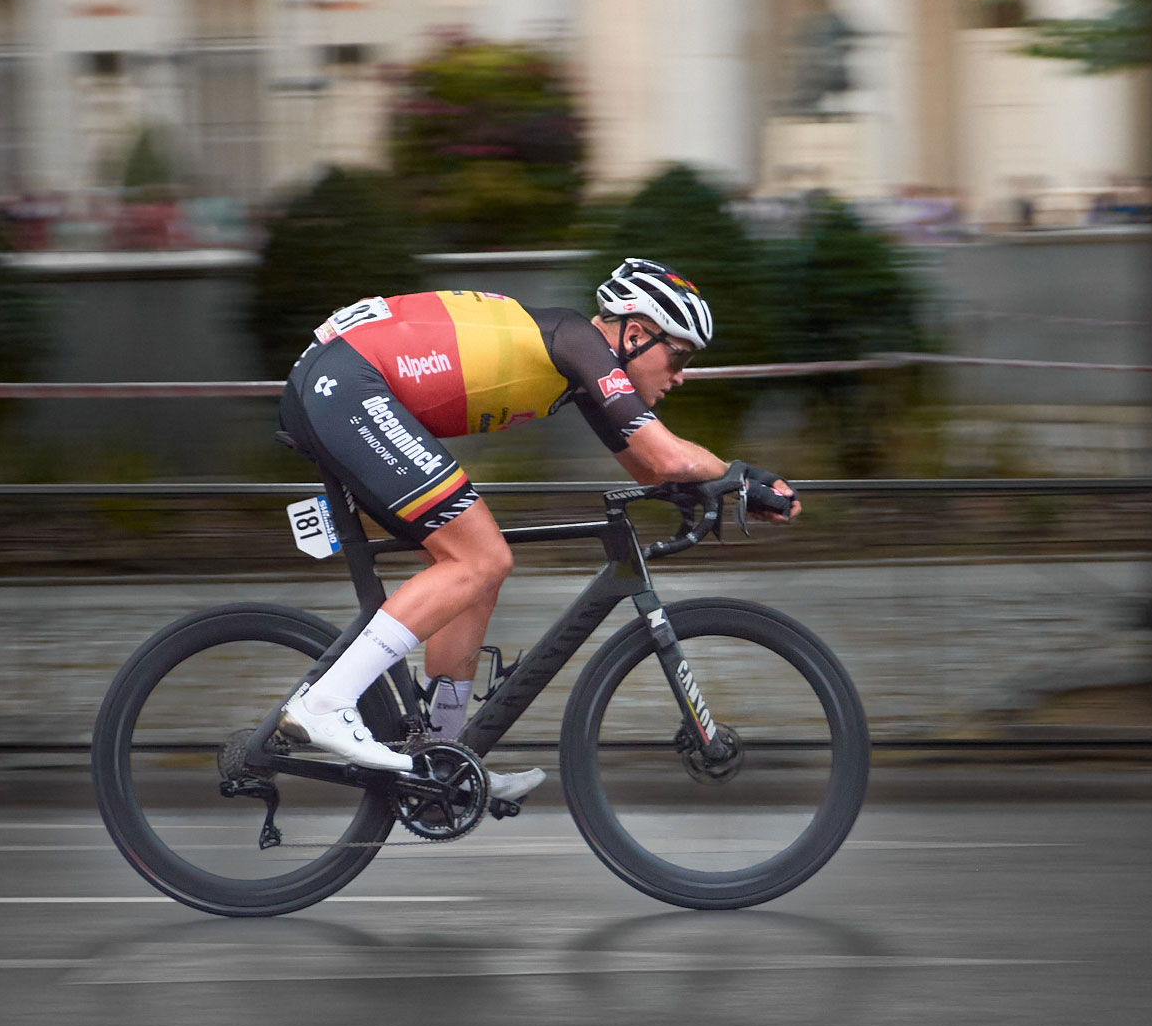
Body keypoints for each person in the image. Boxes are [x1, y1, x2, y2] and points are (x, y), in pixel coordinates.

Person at [275, 258, 800, 799]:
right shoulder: (580, 343)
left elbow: (648, 467)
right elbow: (665, 456)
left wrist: (709, 485)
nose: (680, 375)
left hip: (344, 382)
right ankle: (325, 704)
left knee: (476, 573)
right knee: (480, 557)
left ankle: (438, 760)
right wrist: (746, 478)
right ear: (637, 334)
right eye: (678, 355)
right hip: (347, 384)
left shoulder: (578, 367)